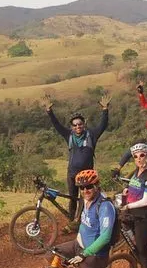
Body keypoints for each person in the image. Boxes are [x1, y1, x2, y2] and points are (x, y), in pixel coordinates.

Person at [43, 93, 110, 224]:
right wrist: (49, 111)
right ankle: (72, 222)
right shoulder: (68, 135)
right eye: (74, 125)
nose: (77, 127)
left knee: (85, 198)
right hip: (72, 173)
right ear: (71, 127)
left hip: (87, 175)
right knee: (72, 198)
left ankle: (82, 221)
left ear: (84, 124)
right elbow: (56, 125)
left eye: (79, 124)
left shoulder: (91, 135)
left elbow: (103, 125)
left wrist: (105, 110)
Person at [118, 144, 147, 268]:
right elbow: (132, 187)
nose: (139, 159)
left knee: (140, 247)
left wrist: (127, 205)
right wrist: (125, 192)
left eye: (142, 155)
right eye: (136, 156)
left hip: (143, 215)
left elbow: (146, 200)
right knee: (130, 243)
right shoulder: (136, 172)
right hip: (131, 213)